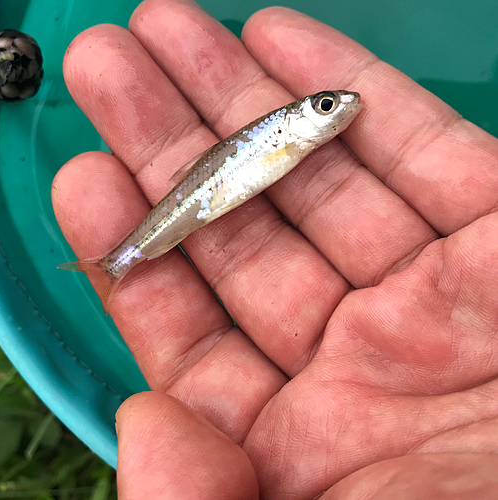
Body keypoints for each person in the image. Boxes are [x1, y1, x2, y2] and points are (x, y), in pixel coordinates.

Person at [52, 1, 498, 498]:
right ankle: (117, 264)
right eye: (327, 107)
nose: (342, 107)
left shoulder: (298, 139)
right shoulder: (283, 136)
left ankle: (117, 265)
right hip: (197, 201)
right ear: (293, 127)